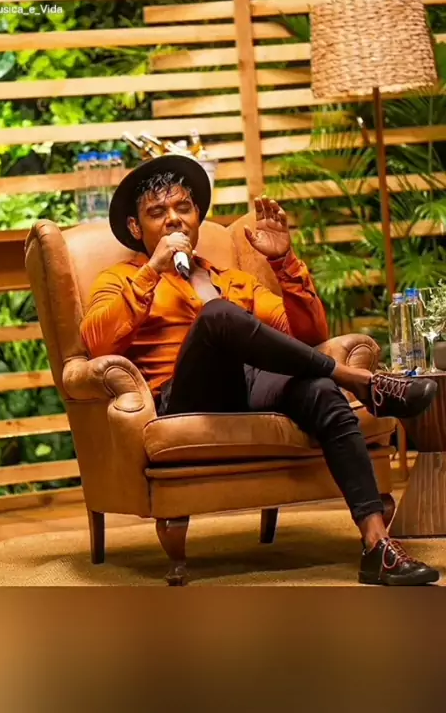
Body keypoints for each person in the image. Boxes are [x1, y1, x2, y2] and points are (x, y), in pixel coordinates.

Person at [81, 154, 440, 586]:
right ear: (136, 228)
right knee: (218, 316)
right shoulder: (121, 279)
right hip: (183, 398)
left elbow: (307, 337)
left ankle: (376, 545)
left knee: (319, 390)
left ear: (197, 216)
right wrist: (153, 270)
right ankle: (358, 381)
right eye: (157, 212)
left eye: (183, 208)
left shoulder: (233, 280)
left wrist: (284, 264)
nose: (174, 219)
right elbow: (97, 342)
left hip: (248, 388)